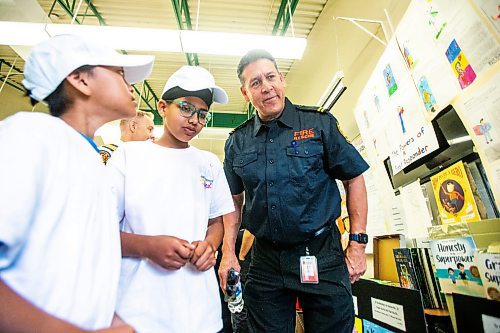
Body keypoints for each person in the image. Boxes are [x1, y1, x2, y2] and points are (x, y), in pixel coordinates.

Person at [0, 34, 154, 332]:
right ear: (80, 80)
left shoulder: (89, 155)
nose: (131, 86)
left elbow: (76, 262)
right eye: (121, 74)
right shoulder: (29, 136)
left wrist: (113, 320)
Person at [219, 49, 369, 333]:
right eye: (255, 82)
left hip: (321, 253)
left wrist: (358, 244)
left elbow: (354, 178)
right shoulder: (237, 142)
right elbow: (233, 203)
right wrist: (229, 253)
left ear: (282, 79)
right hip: (265, 261)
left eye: (271, 77)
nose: (266, 87)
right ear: (244, 92)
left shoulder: (318, 124)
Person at [107, 65, 235, 333]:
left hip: (198, 307)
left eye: (202, 114)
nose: (194, 120)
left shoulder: (209, 163)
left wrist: (210, 246)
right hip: (139, 307)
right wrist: (148, 247)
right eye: (186, 108)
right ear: (163, 107)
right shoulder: (129, 157)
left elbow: (216, 221)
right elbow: (100, 231)